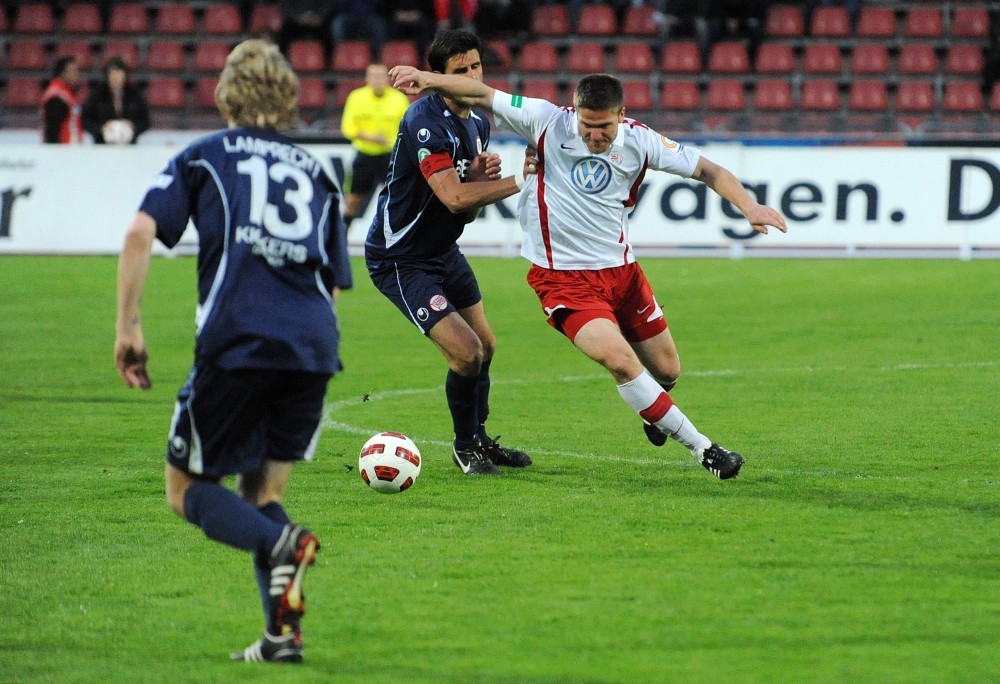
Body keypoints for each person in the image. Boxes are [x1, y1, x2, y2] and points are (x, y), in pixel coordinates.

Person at [389, 67, 789, 480]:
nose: (595, 136)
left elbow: (711, 171)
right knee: (619, 360)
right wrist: (429, 79)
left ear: (622, 115)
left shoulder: (641, 139)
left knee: (667, 371)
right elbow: (482, 92)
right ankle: (705, 449)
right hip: (563, 280)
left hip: (622, 274)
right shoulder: (546, 120)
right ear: (575, 111)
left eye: (605, 127)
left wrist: (750, 207)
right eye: (587, 126)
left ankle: (655, 411)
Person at [115, 39, 352, 663]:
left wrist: (128, 326)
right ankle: (282, 638)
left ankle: (284, 546)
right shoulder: (319, 173)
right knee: (262, 497)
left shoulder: (206, 155)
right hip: (314, 346)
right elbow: (331, 280)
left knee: (186, 488)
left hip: (238, 341)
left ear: (226, 93)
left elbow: (141, 231)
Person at [365, 29, 534, 476]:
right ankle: (464, 447)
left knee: (487, 347)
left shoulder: (478, 121)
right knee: (466, 352)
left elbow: (467, 211)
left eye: (476, 66)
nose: (473, 76)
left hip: (443, 250)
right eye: (461, 70)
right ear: (436, 77)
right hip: (400, 257)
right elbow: (454, 199)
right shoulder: (424, 119)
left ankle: (480, 439)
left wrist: (478, 179)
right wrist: (521, 181)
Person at [339, 63, 411, 230]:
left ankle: (398, 239)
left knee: (397, 199)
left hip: (390, 156)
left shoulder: (398, 99)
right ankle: (341, 240)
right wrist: (372, 138)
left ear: (387, 79)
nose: (377, 80)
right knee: (352, 200)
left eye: (381, 76)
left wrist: (390, 142)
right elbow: (347, 128)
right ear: (367, 79)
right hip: (364, 155)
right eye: (374, 76)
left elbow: (407, 129)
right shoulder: (356, 97)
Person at [82, 56, 150, 145]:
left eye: (119, 74)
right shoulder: (97, 95)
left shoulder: (134, 94)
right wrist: (101, 129)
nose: (116, 78)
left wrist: (132, 128)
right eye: (112, 74)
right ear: (107, 75)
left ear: (125, 75)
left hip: (129, 146)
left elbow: (145, 121)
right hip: (102, 145)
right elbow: (86, 120)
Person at [41, 56, 84, 144]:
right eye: (74, 71)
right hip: (63, 152)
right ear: (63, 73)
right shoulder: (57, 97)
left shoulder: (68, 94)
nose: (77, 75)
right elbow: (52, 131)